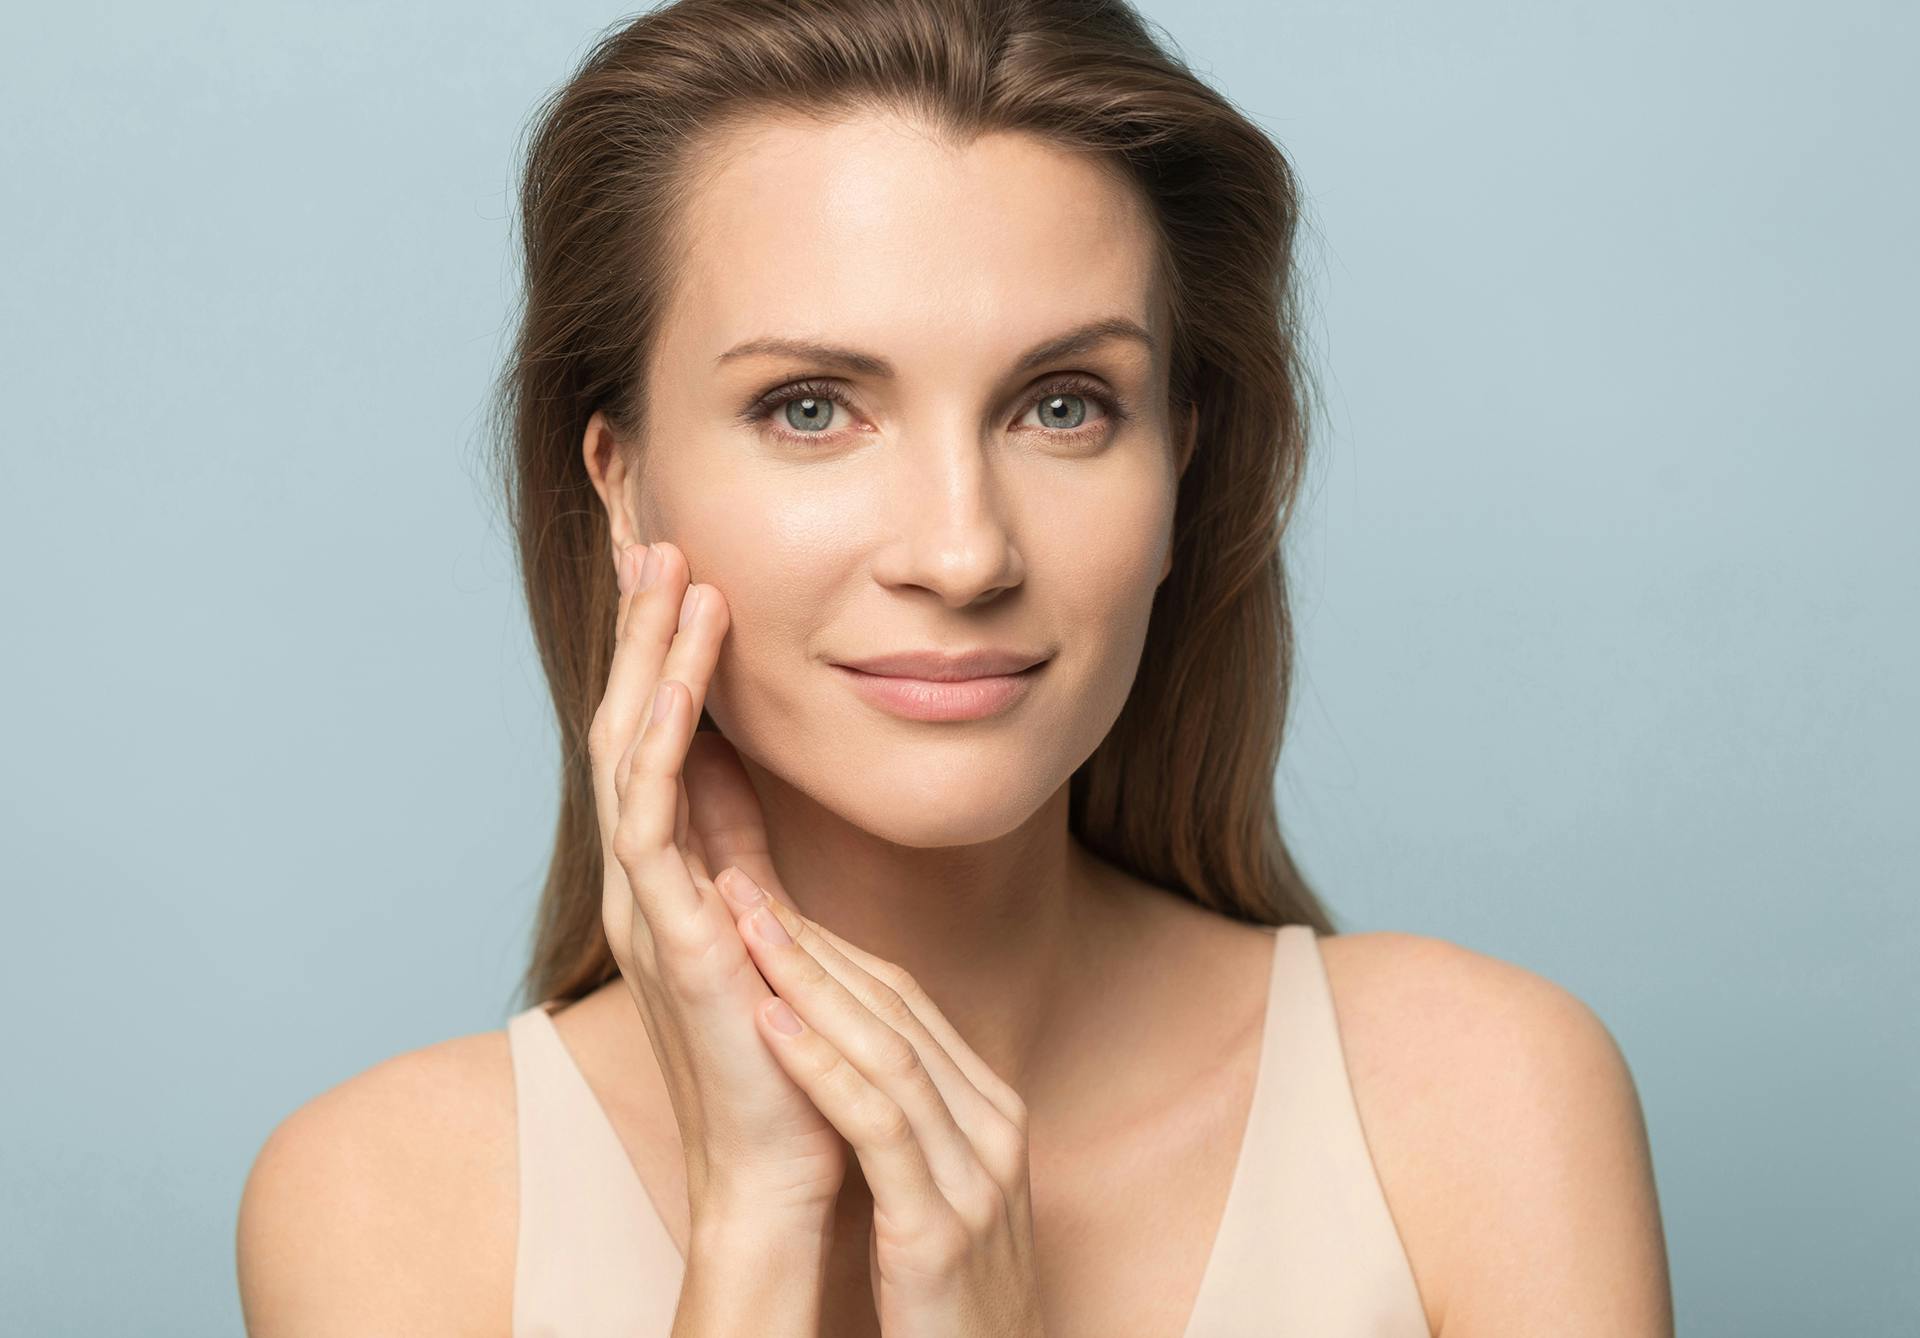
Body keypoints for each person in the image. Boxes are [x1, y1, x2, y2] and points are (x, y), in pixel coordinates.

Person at [237, 1, 1673, 1334]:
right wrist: (756, 1229)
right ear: (619, 482)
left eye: (1063, 405)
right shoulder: (386, 1206)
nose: (963, 550)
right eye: (811, 407)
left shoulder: (1483, 1106)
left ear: (1183, 456)